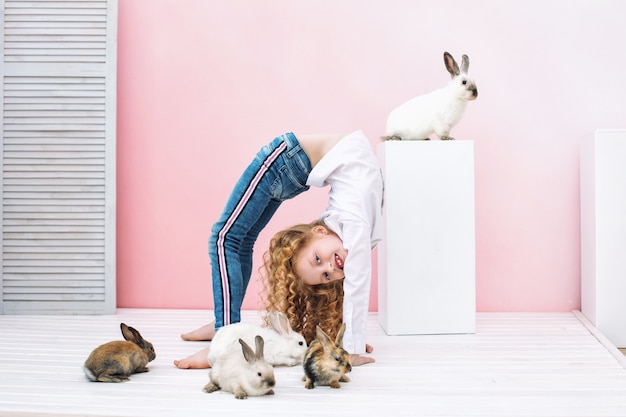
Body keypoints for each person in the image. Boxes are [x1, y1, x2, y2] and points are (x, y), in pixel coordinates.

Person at [174, 130, 383, 369]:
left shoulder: (352, 233)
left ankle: (226, 328)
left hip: (294, 165)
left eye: (326, 275)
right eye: (317, 260)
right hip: (286, 159)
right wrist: (351, 348)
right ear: (319, 231)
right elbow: (357, 282)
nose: (329, 267)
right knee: (227, 239)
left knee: (233, 239)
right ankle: (225, 331)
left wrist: (348, 340)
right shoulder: (357, 229)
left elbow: (352, 282)